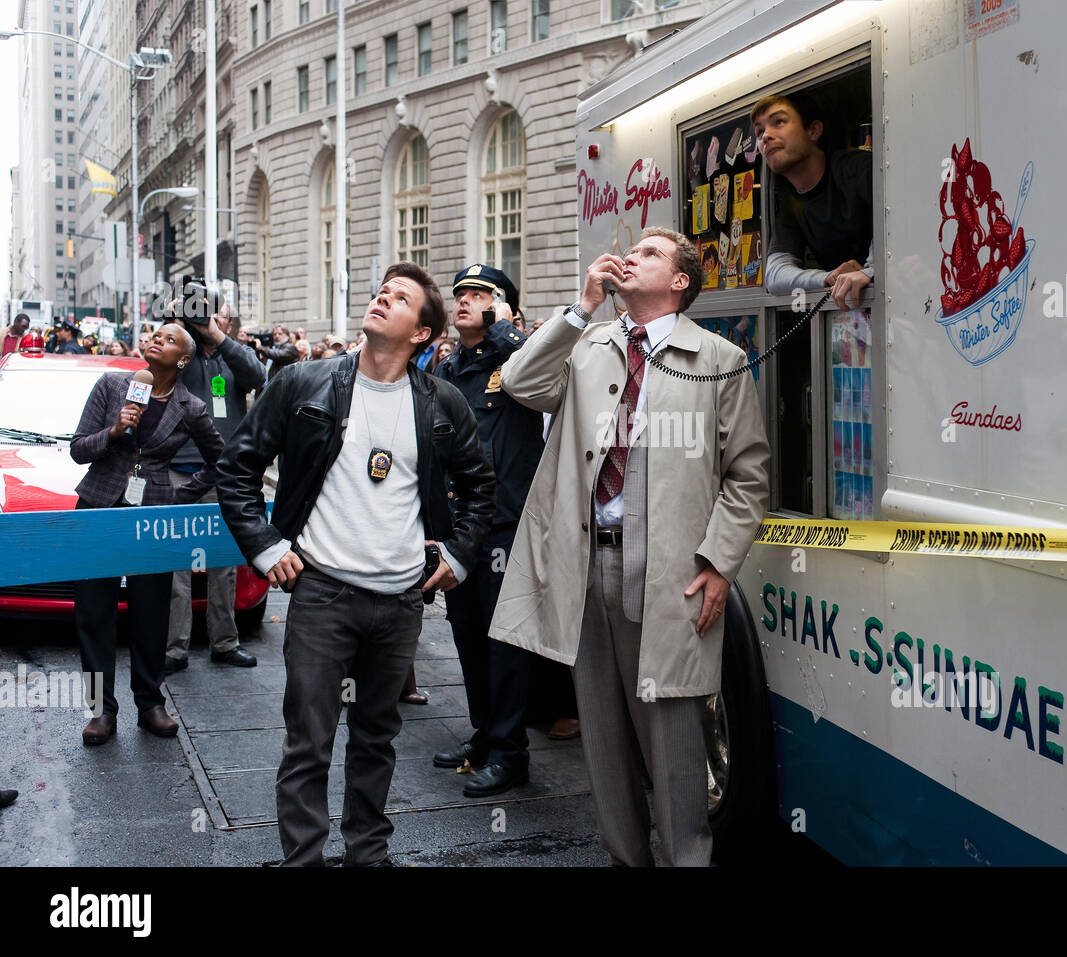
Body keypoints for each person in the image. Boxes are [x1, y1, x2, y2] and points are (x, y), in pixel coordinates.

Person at [490, 227, 770, 866]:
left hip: (672, 571)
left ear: (679, 282)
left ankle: (685, 859)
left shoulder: (720, 360)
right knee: (605, 736)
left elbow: (748, 475)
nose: (629, 255)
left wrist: (719, 563)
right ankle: (625, 858)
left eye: (648, 253)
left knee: (672, 737)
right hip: (587, 565)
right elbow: (520, 383)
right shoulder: (590, 344)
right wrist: (580, 307)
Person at [216, 261, 495, 867]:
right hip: (321, 595)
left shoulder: (442, 402)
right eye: (380, 292)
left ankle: (368, 852)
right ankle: (304, 859)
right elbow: (237, 467)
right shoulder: (303, 383)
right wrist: (266, 546)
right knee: (309, 743)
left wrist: (459, 555)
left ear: (421, 332)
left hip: (400, 604)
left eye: (399, 299)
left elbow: (480, 488)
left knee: (377, 739)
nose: (381, 300)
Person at [70, 324, 225, 746]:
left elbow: (220, 461)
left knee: (151, 610)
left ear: (183, 360)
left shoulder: (191, 406)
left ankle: (150, 702)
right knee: (93, 612)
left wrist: (180, 495)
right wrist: (116, 431)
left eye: (170, 339)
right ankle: (101, 710)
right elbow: (79, 448)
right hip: (99, 507)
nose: (158, 339)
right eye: (155, 334)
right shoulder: (112, 385)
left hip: (153, 514)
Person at [431, 264, 544, 797]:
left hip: (505, 525)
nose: (464, 301)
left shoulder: (519, 359)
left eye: (479, 294)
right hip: (460, 527)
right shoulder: (450, 368)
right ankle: (484, 732)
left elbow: (540, 367)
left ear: (503, 307)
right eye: (460, 294)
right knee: (468, 635)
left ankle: (510, 750)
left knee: (504, 644)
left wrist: (503, 324)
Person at [161, 292, 267, 675]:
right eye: (204, 316)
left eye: (217, 317)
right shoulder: (182, 352)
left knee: (224, 563)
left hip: (224, 475)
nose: (208, 321)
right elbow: (158, 364)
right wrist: (175, 323)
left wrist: (218, 338)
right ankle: (175, 649)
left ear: (227, 323)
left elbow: (260, 378)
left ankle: (225, 642)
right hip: (179, 472)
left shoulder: (234, 356)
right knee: (179, 567)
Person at [752, 91, 873, 311]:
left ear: (813, 130)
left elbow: (902, 230)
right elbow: (775, 273)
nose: (765, 136)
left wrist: (870, 272)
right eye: (759, 131)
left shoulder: (860, 170)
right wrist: (827, 278)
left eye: (778, 122)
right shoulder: (791, 203)